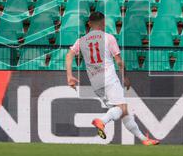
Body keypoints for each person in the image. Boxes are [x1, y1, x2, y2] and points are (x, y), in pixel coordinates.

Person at [65, 11, 158, 146]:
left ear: (89, 24)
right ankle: (102, 121)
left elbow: (69, 55)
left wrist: (69, 76)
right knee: (121, 108)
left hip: (95, 81)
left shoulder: (81, 40)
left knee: (123, 111)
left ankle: (144, 139)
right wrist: (125, 77)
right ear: (103, 23)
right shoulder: (108, 38)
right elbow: (119, 61)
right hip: (108, 77)